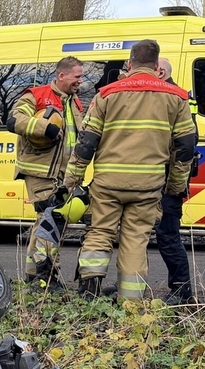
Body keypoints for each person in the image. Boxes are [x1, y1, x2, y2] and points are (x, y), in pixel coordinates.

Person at [63, 40, 196, 301]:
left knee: (99, 234)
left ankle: (89, 295)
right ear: (157, 65)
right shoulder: (177, 98)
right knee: (136, 240)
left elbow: (86, 142)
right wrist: (175, 186)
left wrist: (72, 180)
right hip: (148, 187)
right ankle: (131, 304)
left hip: (107, 183)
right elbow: (185, 148)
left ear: (130, 62)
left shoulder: (106, 94)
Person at [8, 56, 84, 289]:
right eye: (77, 76)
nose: (80, 81)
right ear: (61, 75)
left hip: (64, 174)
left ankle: (34, 277)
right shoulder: (37, 95)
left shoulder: (75, 103)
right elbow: (13, 120)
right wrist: (46, 128)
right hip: (40, 172)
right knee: (50, 220)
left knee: (47, 222)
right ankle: (46, 277)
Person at [154, 57, 198, 304]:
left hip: (170, 178)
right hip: (168, 177)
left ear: (160, 71)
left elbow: (185, 144)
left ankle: (182, 293)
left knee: (168, 234)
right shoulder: (179, 96)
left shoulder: (172, 97)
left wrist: (175, 184)